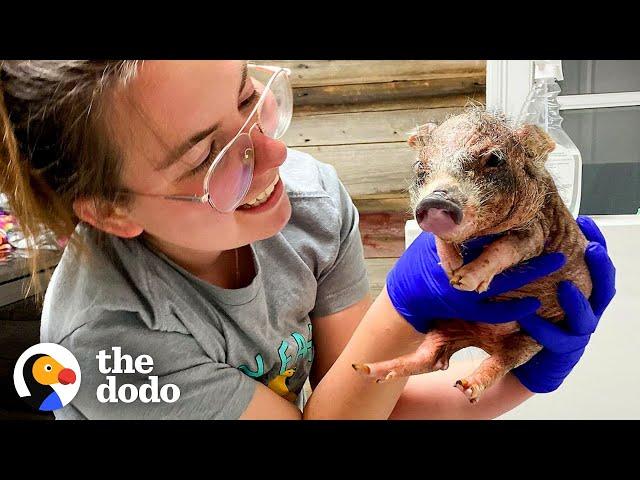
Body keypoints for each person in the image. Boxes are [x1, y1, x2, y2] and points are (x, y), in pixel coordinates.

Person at [0, 60, 616, 419]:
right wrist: (405, 307)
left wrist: (522, 378)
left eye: (250, 98)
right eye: (212, 157)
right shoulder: (111, 342)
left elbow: (369, 402)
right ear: (111, 210)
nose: (275, 153)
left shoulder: (310, 205)